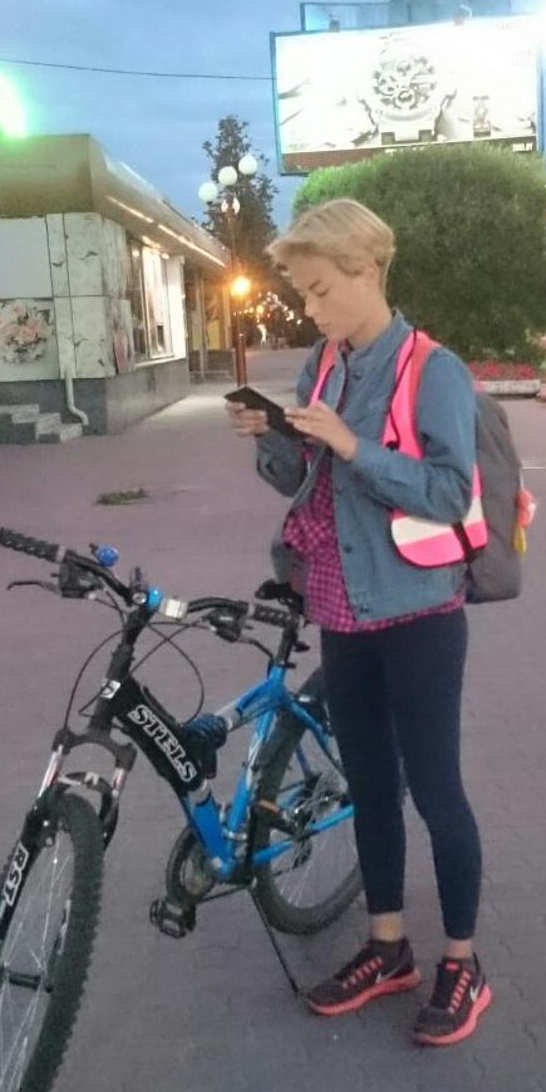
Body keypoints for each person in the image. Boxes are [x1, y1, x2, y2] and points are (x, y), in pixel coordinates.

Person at [226, 197, 491, 1047]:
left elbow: (451, 493)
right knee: (369, 785)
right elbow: (305, 480)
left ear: (367, 271)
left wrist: (352, 446)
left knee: (436, 792)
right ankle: (388, 947)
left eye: (318, 291)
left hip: (418, 612)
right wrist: (272, 438)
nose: (311, 310)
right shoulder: (325, 365)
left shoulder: (433, 369)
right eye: (303, 295)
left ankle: (462, 960)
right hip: (340, 606)